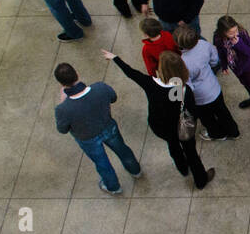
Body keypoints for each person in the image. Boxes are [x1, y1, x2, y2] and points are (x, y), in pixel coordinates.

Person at [103, 48, 215, 190]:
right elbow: (192, 111)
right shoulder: (183, 90)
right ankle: (201, 180)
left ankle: (182, 167)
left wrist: (115, 57)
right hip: (183, 127)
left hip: (161, 126)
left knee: (173, 146)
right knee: (191, 153)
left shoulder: (150, 83)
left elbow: (131, 73)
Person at [53, 62, 142, 195]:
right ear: (77, 74)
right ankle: (135, 170)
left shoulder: (63, 109)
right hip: (108, 126)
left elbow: (62, 129)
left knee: (101, 162)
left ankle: (113, 187)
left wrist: (62, 102)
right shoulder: (100, 88)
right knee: (122, 149)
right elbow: (113, 98)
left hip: (87, 138)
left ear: (62, 84)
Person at [173, 25, 239, 141]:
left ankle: (217, 134)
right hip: (214, 88)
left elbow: (186, 86)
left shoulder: (182, 62)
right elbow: (214, 61)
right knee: (223, 112)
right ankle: (234, 132)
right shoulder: (204, 44)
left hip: (200, 98)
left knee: (207, 118)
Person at [214, 16, 250, 122]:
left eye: (235, 30)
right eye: (231, 33)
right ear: (222, 32)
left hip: (249, 67)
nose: (235, 34)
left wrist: (239, 44)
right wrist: (224, 65)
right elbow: (221, 52)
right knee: (245, 83)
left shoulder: (242, 34)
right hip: (235, 67)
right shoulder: (217, 38)